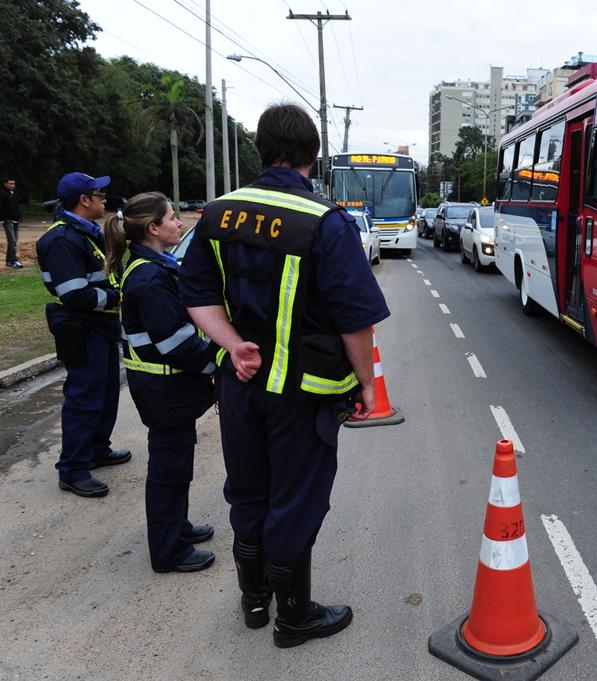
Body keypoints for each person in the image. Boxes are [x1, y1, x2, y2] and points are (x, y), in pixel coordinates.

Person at [180, 103, 389, 647]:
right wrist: (367, 384)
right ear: (313, 155)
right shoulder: (326, 221)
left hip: (240, 385)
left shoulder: (216, 214)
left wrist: (234, 347)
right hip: (304, 395)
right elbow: (354, 320)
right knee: (296, 500)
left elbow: (197, 297)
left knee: (248, 492)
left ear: (259, 149)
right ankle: (294, 617)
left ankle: (254, 600)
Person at [103, 192, 220, 573]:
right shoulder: (150, 277)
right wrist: (215, 364)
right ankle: (169, 551)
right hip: (166, 391)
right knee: (169, 470)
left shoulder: (149, 265)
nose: (179, 223)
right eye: (172, 218)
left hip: (166, 391)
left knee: (175, 464)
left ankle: (178, 528)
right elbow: (175, 343)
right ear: (153, 228)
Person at [37, 172, 131, 498]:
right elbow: (75, 295)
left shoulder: (87, 233)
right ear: (84, 200)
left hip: (101, 326)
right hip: (83, 327)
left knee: (106, 392)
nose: (105, 199)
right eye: (99, 194)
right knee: (84, 399)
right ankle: (73, 469)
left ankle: (96, 449)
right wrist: (120, 298)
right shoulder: (62, 240)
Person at [1, 177, 24, 268]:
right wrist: (3, 218)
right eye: (10, 183)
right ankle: (12, 261)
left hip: (16, 220)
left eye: (13, 184)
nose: (12, 185)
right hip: (8, 220)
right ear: (5, 184)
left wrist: (19, 217)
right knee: (12, 241)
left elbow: (16, 207)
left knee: (14, 241)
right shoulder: (2, 194)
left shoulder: (14, 194)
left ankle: (10, 260)